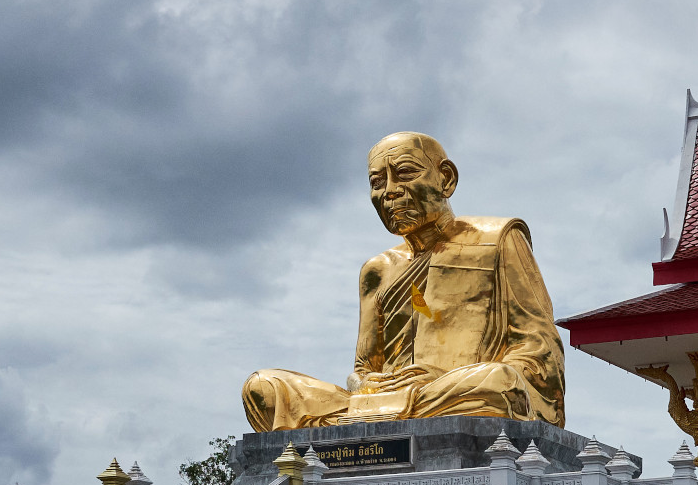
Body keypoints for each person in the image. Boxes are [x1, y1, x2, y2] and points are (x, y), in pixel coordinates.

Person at [242, 132, 565, 431]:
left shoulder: (497, 240)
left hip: (455, 391)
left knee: (498, 380)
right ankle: (386, 417)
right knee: (264, 387)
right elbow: (365, 368)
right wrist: (368, 385)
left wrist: (441, 378)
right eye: (377, 181)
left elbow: (538, 350)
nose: (389, 191)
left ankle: (386, 417)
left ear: (446, 179)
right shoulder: (377, 270)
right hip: (388, 400)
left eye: (406, 173)